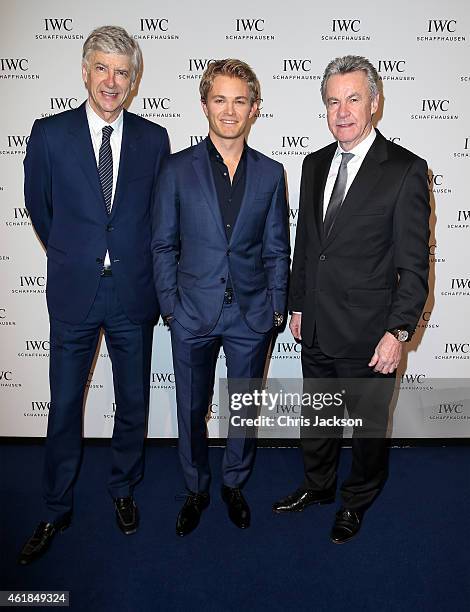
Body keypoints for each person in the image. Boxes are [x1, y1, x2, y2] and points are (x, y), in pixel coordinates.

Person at [19, 25, 169, 565]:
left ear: (133, 81)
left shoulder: (154, 140)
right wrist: (76, 252)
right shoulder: (49, 134)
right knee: (63, 404)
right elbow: (41, 208)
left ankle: (123, 488)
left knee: (133, 402)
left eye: (122, 72)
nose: (111, 81)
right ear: (85, 72)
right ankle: (56, 504)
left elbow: (157, 216)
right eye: (102, 68)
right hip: (74, 291)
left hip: (134, 293)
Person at [273, 55, 430, 543]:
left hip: (370, 334)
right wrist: (299, 304)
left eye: (353, 99)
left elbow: (414, 265)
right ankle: (318, 486)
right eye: (333, 101)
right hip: (317, 324)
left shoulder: (405, 170)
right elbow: (308, 244)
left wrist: (398, 332)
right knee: (317, 418)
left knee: (365, 430)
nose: (342, 111)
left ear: (375, 103)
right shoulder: (314, 163)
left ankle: (357, 498)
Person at [152, 59, 290, 536]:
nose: (229, 111)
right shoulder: (175, 169)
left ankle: (234, 483)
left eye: (239, 100)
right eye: (220, 99)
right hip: (192, 312)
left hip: (250, 315)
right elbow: (163, 243)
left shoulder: (272, 174)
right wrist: (171, 307)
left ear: (254, 108)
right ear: (204, 104)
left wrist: (275, 308)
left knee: (245, 407)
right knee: (190, 407)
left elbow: (277, 248)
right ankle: (195, 487)